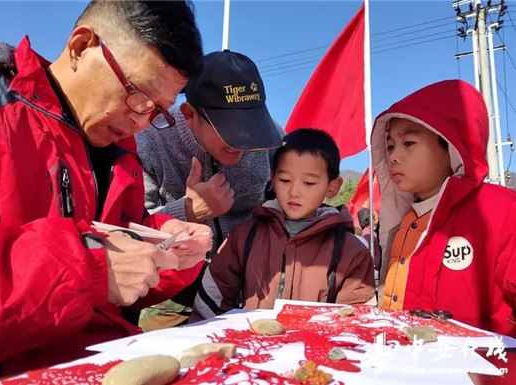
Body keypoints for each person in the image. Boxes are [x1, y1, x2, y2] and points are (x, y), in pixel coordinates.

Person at [0, 0, 212, 379]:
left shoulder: (120, 152)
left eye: (158, 111)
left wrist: (168, 250)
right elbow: (99, 268)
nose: (142, 122)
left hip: (99, 362)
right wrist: (88, 270)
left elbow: (121, 276)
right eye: (138, 94)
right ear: (81, 46)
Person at [134, 50, 283, 328]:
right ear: (190, 115)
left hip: (247, 281)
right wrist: (188, 211)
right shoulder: (150, 141)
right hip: (171, 288)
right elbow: (131, 229)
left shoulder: (271, 138)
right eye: (228, 128)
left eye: (249, 125)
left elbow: (285, 203)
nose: (242, 141)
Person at [371, 79, 516, 330]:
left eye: (408, 143)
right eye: (390, 146)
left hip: (482, 365)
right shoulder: (403, 221)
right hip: (407, 361)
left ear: (451, 146)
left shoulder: (499, 210)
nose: (393, 156)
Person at [191, 129, 376, 321]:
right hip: (250, 347)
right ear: (272, 179)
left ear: (332, 187)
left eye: (309, 182)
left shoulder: (351, 251)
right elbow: (210, 304)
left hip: (314, 349)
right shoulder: (243, 236)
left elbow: (357, 320)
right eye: (285, 180)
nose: (294, 192)